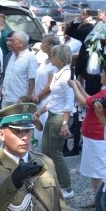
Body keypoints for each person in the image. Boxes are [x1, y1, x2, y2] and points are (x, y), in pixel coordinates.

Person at [68, 60, 106, 206]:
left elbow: (83, 103)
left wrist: (74, 87)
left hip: (98, 137)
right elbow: (90, 101)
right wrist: (80, 88)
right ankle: (97, 199)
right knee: (95, 172)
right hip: (94, 136)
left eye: (102, 72)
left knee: (100, 172)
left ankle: (103, 204)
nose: (100, 74)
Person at [33, 43, 75, 199]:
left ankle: (67, 187)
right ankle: (51, 182)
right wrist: (40, 111)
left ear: (59, 57)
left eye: (53, 55)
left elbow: (69, 102)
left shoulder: (66, 76)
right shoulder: (59, 73)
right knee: (46, 150)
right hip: (53, 114)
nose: (50, 58)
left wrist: (65, 123)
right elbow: (54, 100)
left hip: (59, 118)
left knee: (55, 153)